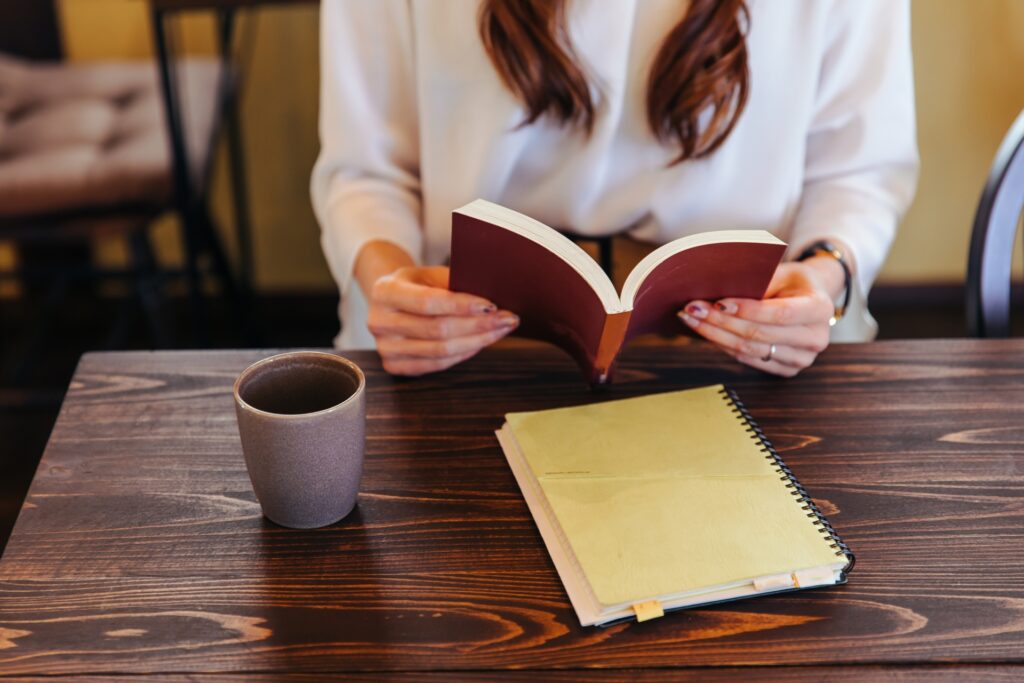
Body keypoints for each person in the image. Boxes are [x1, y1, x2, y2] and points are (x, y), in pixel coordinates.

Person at [312, 0, 918, 377]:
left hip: (746, 354)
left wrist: (821, 277)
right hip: (463, 352)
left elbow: (859, 170)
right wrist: (388, 285)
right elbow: (366, 169)